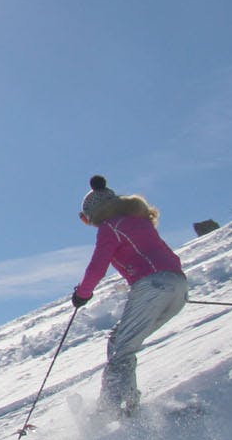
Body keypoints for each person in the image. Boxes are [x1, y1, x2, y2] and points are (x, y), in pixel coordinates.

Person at [71, 175, 187, 418]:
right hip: (176, 286)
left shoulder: (109, 227)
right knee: (119, 342)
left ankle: (112, 410)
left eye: (86, 219)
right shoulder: (138, 220)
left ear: (94, 214)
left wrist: (82, 294)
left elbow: (97, 266)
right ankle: (126, 404)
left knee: (121, 348)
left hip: (153, 287)